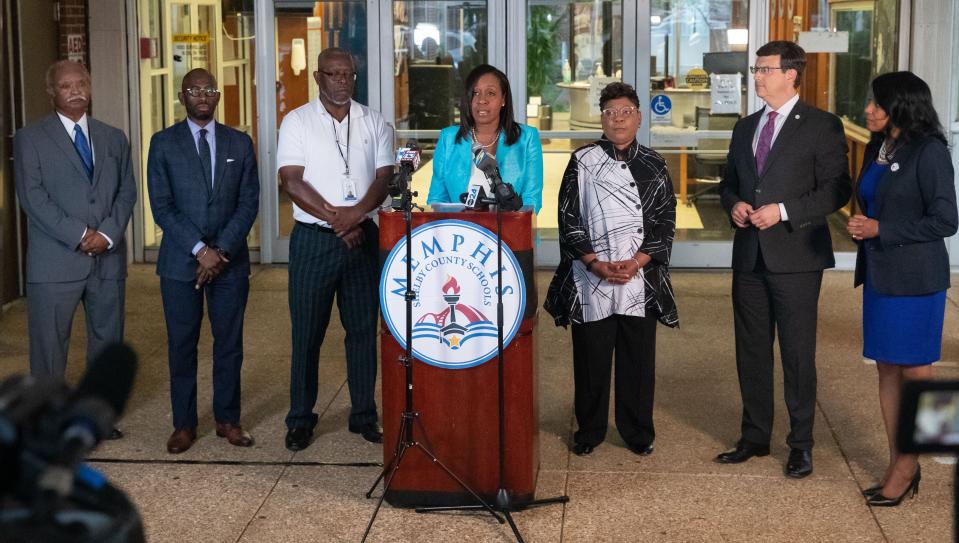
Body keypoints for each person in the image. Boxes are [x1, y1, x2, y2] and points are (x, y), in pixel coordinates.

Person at [715, 41, 851, 478]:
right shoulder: (745, 127)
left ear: (792, 74)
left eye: (766, 69)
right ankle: (754, 437)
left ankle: (801, 444)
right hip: (749, 257)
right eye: (756, 68)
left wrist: (784, 211)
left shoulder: (821, 125)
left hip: (796, 257)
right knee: (751, 351)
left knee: (796, 354)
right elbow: (729, 184)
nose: (757, 76)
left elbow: (836, 190)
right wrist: (734, 204)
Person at [544, 82, 678, 457]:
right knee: (591, 358)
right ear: (600, 119)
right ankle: (589, 431)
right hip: (592, 278)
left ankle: (638, 432)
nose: (617, 119)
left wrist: (636, 262)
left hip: (640, 277)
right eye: (609, 112)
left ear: (638, 117)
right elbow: (568, 217)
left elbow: (665, 221)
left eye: (625, 112)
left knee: (638, 359)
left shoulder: (655, 163)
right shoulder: (583, 161)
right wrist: (595, 262)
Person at [846, 71, 957, 506]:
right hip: (881, 277)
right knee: (886, 368)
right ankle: (900, 461)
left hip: (917, 281)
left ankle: (916, 462)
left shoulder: (929, 152)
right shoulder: (878, 147)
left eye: (876, 103)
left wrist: (881, 227)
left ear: (902, 107)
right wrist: (867, 226)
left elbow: (947, 220)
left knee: (919, 373)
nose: (868, 110)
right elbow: (877, 200)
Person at [277, 48, 394, 451]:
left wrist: (356, 215)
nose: (342, 81)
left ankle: (363, 415)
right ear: (317, 77)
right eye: (333, 74)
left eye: (348, 74)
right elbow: (291, 180)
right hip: (314, 241)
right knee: (307, 334)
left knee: (362, 331)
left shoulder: (374, 121)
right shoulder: (297, 121)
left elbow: (384, 177)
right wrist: (336, 219)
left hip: (362, 239)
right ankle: (300, 419)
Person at [14, 60, 137, 440]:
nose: (75, 89)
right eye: (66, 85)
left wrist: (108, 235)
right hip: (56, 261)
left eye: (81, 82)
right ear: (51, 92)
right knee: (50, 347)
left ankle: (95, 418)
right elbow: (32, 197)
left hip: (107, 258)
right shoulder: (30, 138)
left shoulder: (113, 137)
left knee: (106, 342)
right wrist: (82, 233)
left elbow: (126, 191)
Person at [147, 69, 260, 454]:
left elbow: (249, 203)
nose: (202, 96)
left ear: (217, 96)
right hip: (180, 262)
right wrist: (200, 250)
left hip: (230, 262)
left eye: (209, 89)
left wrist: (221, 251)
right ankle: (184, 424)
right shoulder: (162, 144)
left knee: (229, 344)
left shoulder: (239, 143)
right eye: (194, 90)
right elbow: (161, 206)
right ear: (182, 97)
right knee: (182, 344)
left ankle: (228, 419)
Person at [426, 64, 544, 213]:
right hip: (459, 233)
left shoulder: (527, 138)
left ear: (503, 99)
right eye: (475, 93)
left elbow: (531, 201)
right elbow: (437, 200)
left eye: (491, 93)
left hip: (510, 234)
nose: (482, 100)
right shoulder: (448, 139)